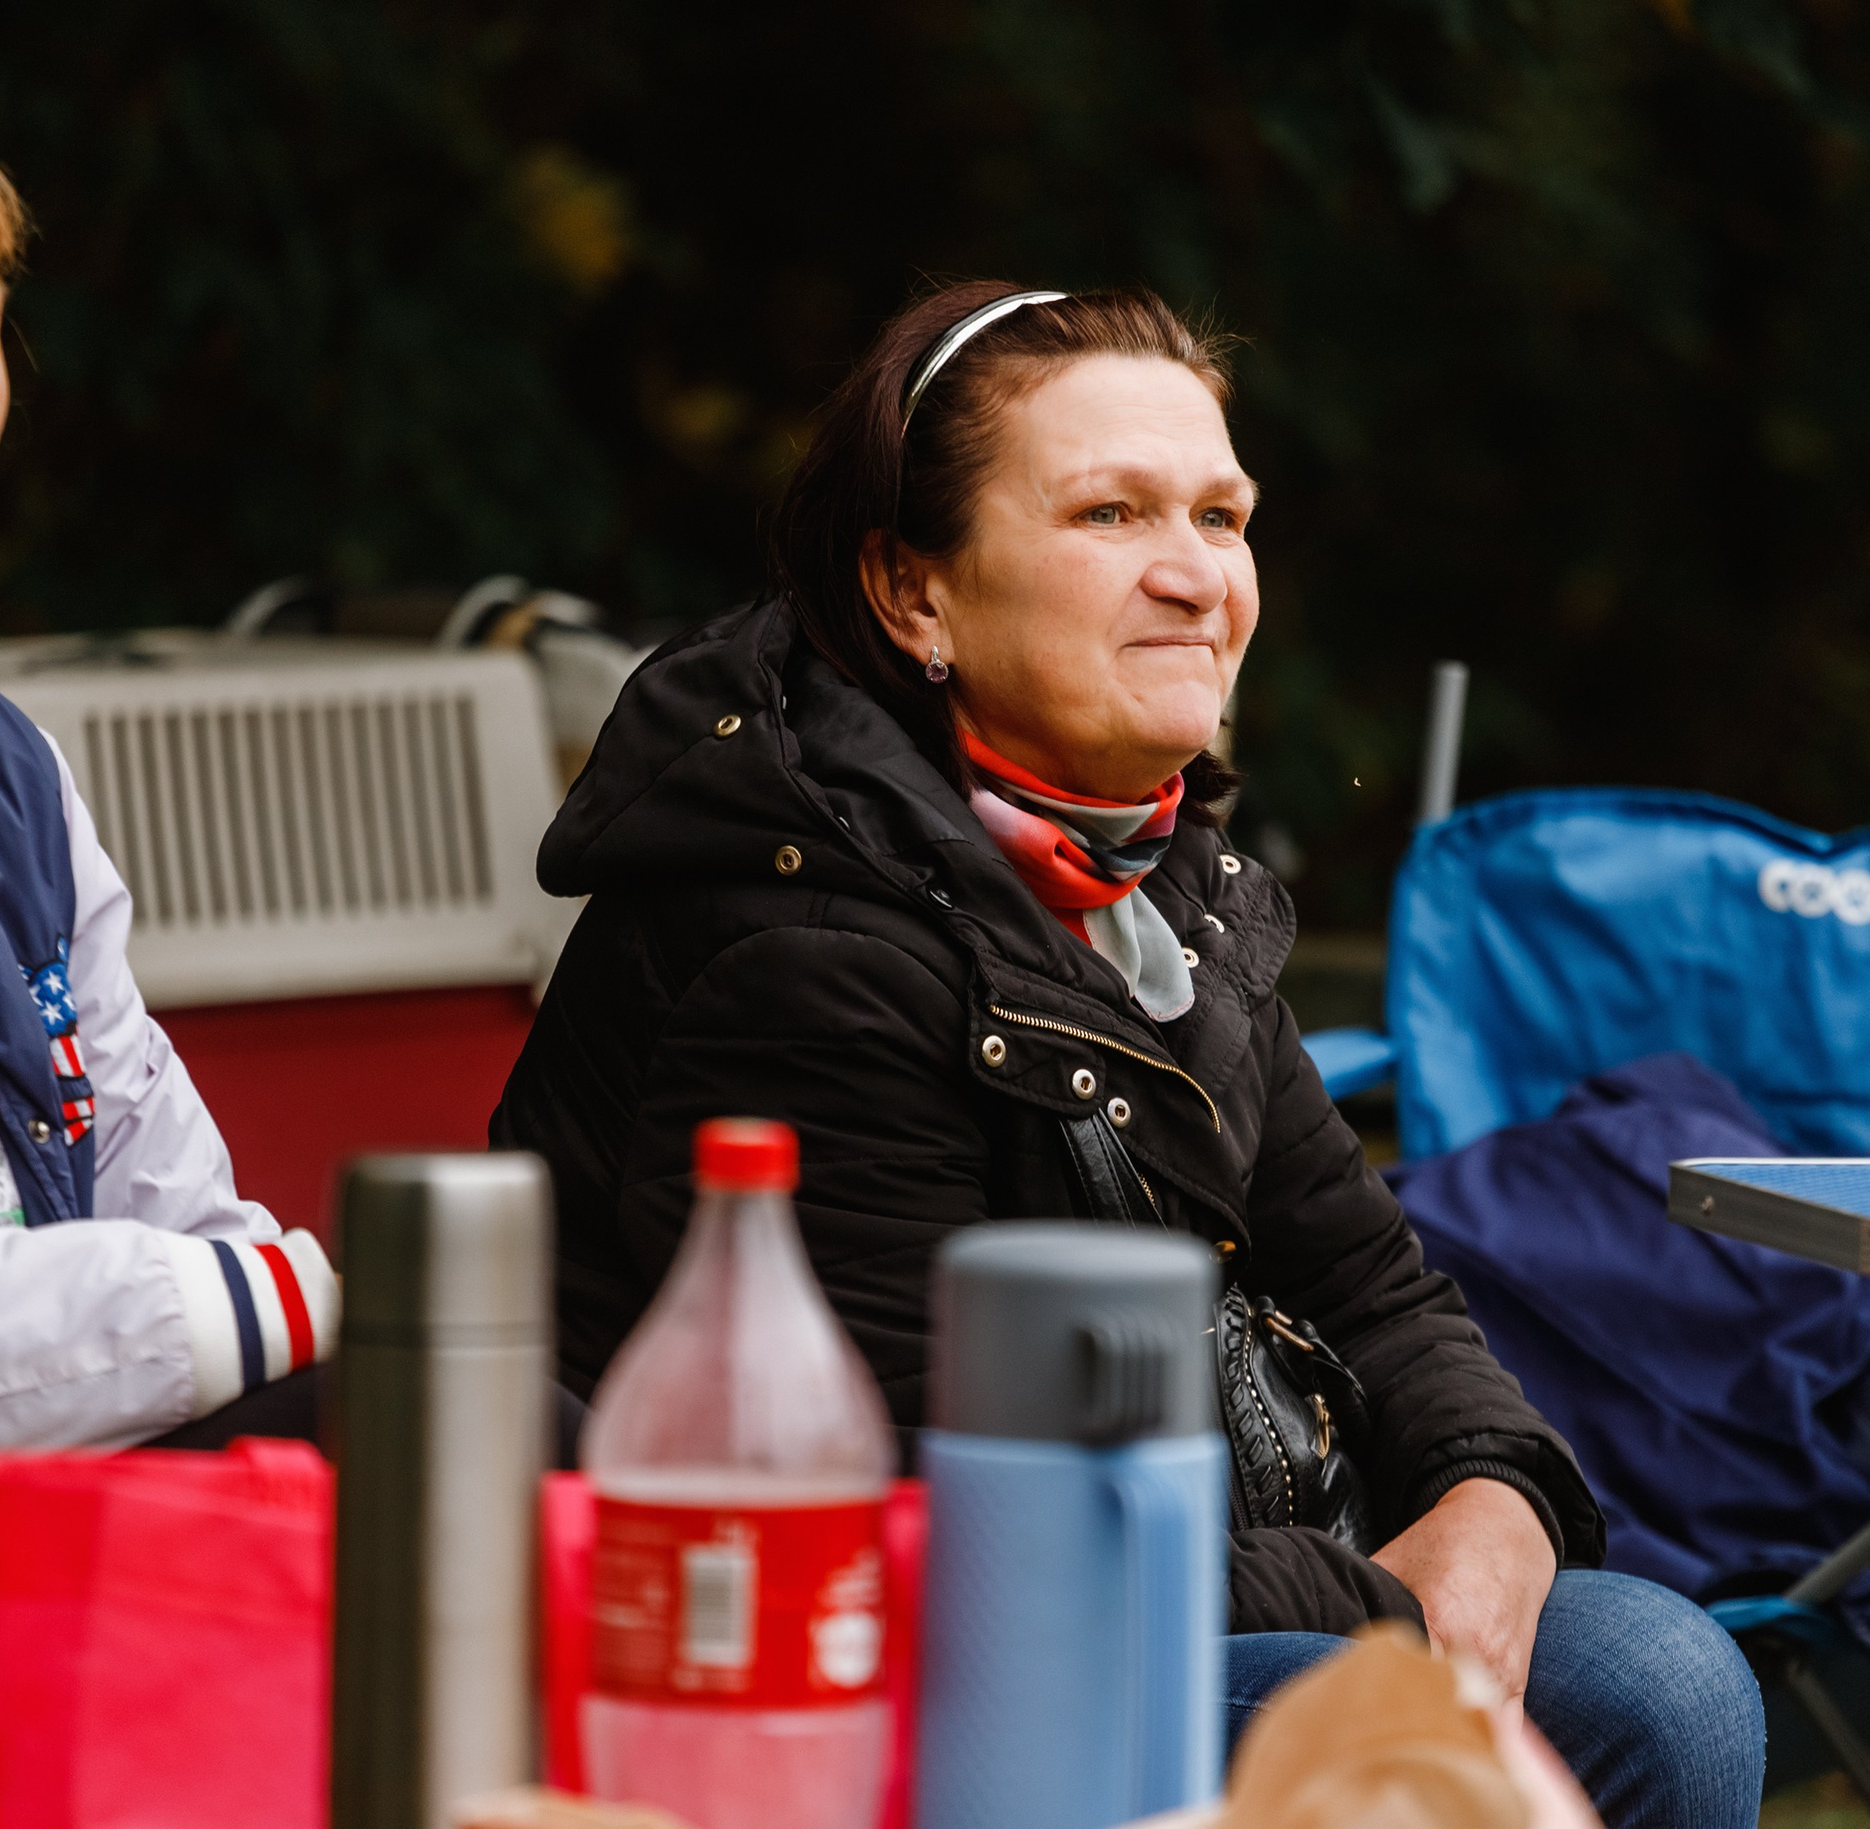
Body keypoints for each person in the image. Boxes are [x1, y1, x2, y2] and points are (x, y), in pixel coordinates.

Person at [496, 281, 1766, 1825]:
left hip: (1181, 1565)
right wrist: (1386, 1595)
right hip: (826, 1656)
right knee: (1453, 1712)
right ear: (912, 592)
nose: (1195, 574)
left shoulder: (1155, 888)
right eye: (1110, 513)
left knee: (1663, 1680)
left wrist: (1494, 1504)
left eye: (1221, 517)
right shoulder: (802, 948)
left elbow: (1379, 1289)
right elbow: (940, 1526)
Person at [0, 64, 336, 1823]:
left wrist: (272, 1305)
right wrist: (277, 1299)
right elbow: (226, 1288)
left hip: (24, 1564)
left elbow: (174, 1194)